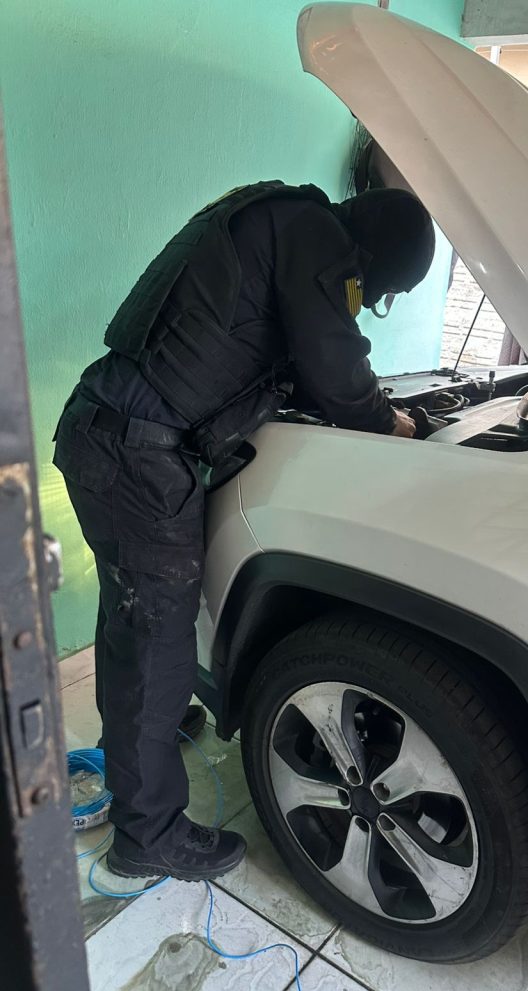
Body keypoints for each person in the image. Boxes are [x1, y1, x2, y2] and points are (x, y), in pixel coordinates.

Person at [53, 181, 435, 881]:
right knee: (158, 636)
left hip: (102, 432)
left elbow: (280, 354)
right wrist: (390, 423)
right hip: (138, 455)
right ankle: (147, 836)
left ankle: (138, 739)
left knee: (131, 617)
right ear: (376, 257)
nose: (369, 299)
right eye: (380, 292)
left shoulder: (279, 219)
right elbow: (332, 364)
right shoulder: (315, 237)